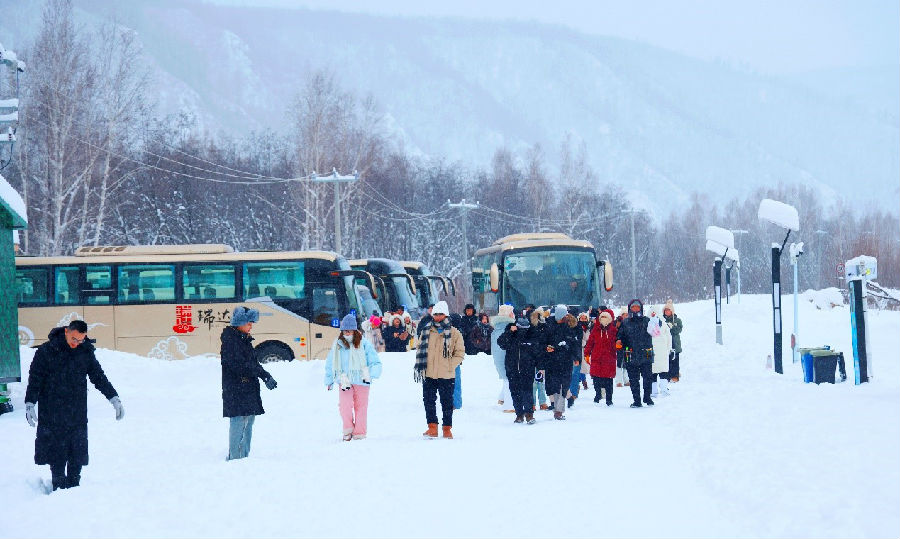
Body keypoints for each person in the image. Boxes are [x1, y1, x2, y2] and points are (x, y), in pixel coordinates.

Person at [24, 320, 124, 491]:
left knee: (77, 449)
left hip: (76, 410)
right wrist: (30, 402)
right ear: (66, 331)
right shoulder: (47, 351)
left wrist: (114, 398)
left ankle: (74, 486)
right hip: (52, 409)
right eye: (74, 339)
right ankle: (58, 484)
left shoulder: (84, 352)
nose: (76, 343)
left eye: (81, 340)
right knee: (56, 450)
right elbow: (36, 378)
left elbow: (98, 376)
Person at [221, 306, 277, 460]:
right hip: (237, 389)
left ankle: (243, 456)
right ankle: (236, 457)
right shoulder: (231, 341)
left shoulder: (242, 339)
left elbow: (252, 363)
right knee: (240, 421)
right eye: (249, 323)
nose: (251, 325)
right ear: (239, 323)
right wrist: (260, 374)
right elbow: (240, 365)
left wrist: (265, 376)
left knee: (248, 421)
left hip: (246, 388)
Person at [325, 314, 383, 441]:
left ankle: (359, 433)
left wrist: (370, 375)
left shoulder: (363, 343)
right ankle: (348, 429)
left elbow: (375, 362)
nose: (347, 332)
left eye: (349, 330)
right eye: (344, 330)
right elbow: (330, 363)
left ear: (355, 330)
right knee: (344, 406)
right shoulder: (338, 344)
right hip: (344, 379)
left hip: (361, 379)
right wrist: (329, 380)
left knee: (361, 407)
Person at [414, 301, 465, 439]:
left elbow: (460, 353)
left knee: (447, 402)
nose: (438, 317)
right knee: (429, 401)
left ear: (446, 315)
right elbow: (419, 347)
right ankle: (432, 427)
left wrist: (450, 365)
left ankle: (447, 428)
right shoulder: (426, 331)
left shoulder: (454, 333)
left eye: (440, 314)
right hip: (429, 373)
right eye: (435, 314)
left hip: (446, 374)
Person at [497, 317, 540, 424]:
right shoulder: (511, 335)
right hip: (512, 368)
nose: (523, 331)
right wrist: (509, 332)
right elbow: (501, 343)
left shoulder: (532, 336)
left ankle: (529, 414)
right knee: (515, 392)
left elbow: (537, 353)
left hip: (527, 369)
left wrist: (539, 366)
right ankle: (519, 414)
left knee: (527, 392)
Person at [541, 304, 579, 420]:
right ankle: (557, 410)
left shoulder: (569, 327)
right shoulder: (548, 327)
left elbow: (574, 344)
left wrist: (576, 357)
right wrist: (547, 348)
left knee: (563, 386)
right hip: (552, 362)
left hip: (565, 361)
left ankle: (559, 410)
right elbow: (542, 342)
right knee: (555, 386)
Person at [617, 300, 654, 408]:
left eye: (638, 307)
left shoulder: (647, 320)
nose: (636, 309)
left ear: (641, 308)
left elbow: (656, 331)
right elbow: (620, 336)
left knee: (648, 377)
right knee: (633, 379)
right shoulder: (625, 322)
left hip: (646, 352)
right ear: (629, 309)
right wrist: (619, 341)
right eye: (633, 307)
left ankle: (647, 397)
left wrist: (656, 320)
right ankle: (637, 400)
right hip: (630, 353)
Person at [584, 308, 617, 406]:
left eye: (605, 317)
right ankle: (598, 395)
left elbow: (617, 342)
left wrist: (617, 348)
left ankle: (609, 399)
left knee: (608, 379)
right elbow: (590, 342)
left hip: (609, 358)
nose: (603, 319)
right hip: (597, 357)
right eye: (602, 317)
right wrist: (587, 353)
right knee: (596, 378)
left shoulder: (613, 330)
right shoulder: (596, 329)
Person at [490, 304, 516, 413]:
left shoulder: (497, 328)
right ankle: (509, 406)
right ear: (509, 314)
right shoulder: (508, 329)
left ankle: (502, 398)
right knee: (509, 380)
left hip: (500, 358)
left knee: (507, 379)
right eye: (512, 312)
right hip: (506, 359)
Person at [525, 306, 549, 411]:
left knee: (538, 381)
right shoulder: (530, 327)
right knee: (536, 381)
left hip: (538, 356)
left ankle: (539, 402)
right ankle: (536, 403)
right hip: (533, 356)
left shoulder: (543, 326)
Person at [648, 307, 672, 398]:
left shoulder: (647, 324)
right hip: (662, 351)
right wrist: (669, 349)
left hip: (651, 351)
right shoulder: (664, 324)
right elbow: (669, 337)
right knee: (663, 371)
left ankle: (654, 391)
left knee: (652, 372)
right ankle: (664, 389)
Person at [662, 300, 684, 383]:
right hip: (666, 344)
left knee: (675, 360)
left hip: (675, 343)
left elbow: (678, 330)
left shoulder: (677, 320)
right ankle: (668, 376)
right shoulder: (662, 320)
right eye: (665, 310)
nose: (667, 312)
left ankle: (675, 375)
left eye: (668, 310)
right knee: (667, 360)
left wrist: (670, 328)